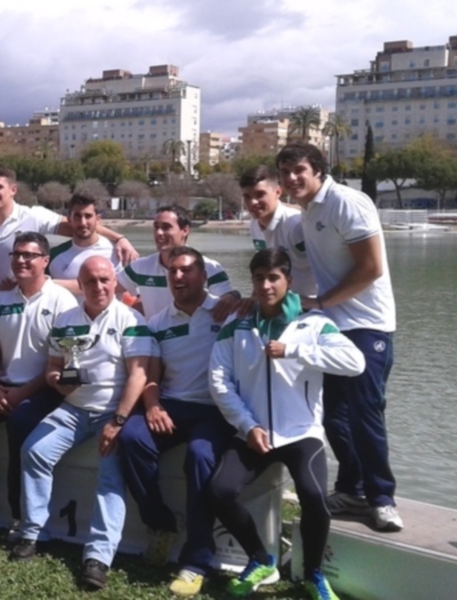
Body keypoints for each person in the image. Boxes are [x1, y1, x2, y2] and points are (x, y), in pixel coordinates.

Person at [208, 248, 365, 600]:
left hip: (301, 434)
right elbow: (219, 382)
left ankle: (313, 574)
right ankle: (260, 559)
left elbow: (355, 362)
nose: (266, 285)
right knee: (219, 491)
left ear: (288, 281)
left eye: (274, 277)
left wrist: (293, 350)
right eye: (259, 278)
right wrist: (248, 426)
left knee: (313, 497)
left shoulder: (314, 323)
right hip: (253, 432)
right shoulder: (236, 326)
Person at [276, 142, 402, 532]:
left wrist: (321, 301)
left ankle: (382, 499)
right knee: (333, 417)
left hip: (367, 325)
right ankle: (351, 487)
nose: (291, 179)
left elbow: (371, 268)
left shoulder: (347, 202)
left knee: (366, 414)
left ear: (317, 169)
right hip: (334, 326)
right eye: (284, 173)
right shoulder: (307, 211)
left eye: (298, 170)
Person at [10, 256, 152, 591]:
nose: (98, 287)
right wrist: (58, 381)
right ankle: (32, 533)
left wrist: (118, 420)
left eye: (104, 280)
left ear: (114, 282)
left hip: (112, 411)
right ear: (81, 285)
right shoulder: (66, 319)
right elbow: (52, 368)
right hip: (72, 409)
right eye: (91, 281)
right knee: (34, 451)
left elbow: (139, 374)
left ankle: (98, 557)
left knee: (110, 474)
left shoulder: (130, 319)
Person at [117, 247, 234, 598]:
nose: (178, 278)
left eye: (186, 271)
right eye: (172, 273)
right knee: (131, 438)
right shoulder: (157, 323)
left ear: (202, 275)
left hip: (214, 410)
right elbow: (150, 375)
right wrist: (152, 406)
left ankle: (196, 562)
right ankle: (160, 522)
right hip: (171, 405)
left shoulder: (226, 313)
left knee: (199, 456)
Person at [0, 232, 77, 540]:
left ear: (45, 261)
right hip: (0, 385)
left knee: (19, 424)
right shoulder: (3, 300)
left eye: (29, 255)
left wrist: (21, 393)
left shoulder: (63, 302)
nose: (20, 260)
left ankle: (20, 516)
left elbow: (59, 362)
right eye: (16, 254)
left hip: (42, 390)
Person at [0, 165, 137, 296]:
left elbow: (81, 226)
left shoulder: (34, 216)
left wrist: (119, 238)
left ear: (13, 190)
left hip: (27, 301)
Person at [117, 205, 238, 320]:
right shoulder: (140, 267)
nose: (159, 233)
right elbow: (104, 289)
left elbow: (227, 302)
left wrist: (233, 295)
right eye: (156, 227)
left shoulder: (210, 268)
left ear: (185, 230)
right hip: (154, 339)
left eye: (166, 227)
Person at [240, 165, 316, 298]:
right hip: (282, 303)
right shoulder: (254, 225)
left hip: (312, 303)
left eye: (260, 195)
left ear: (278, 192)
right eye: (247, 196)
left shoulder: (296, 225)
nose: (252, 202)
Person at [47, 191, 118, 299]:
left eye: (88, 216)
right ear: (69, 220)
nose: (83, 222)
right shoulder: (54, 254)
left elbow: (125, 288)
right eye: (77, 216)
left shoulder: (117, 251)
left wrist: (51, 284)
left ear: (98, 219)